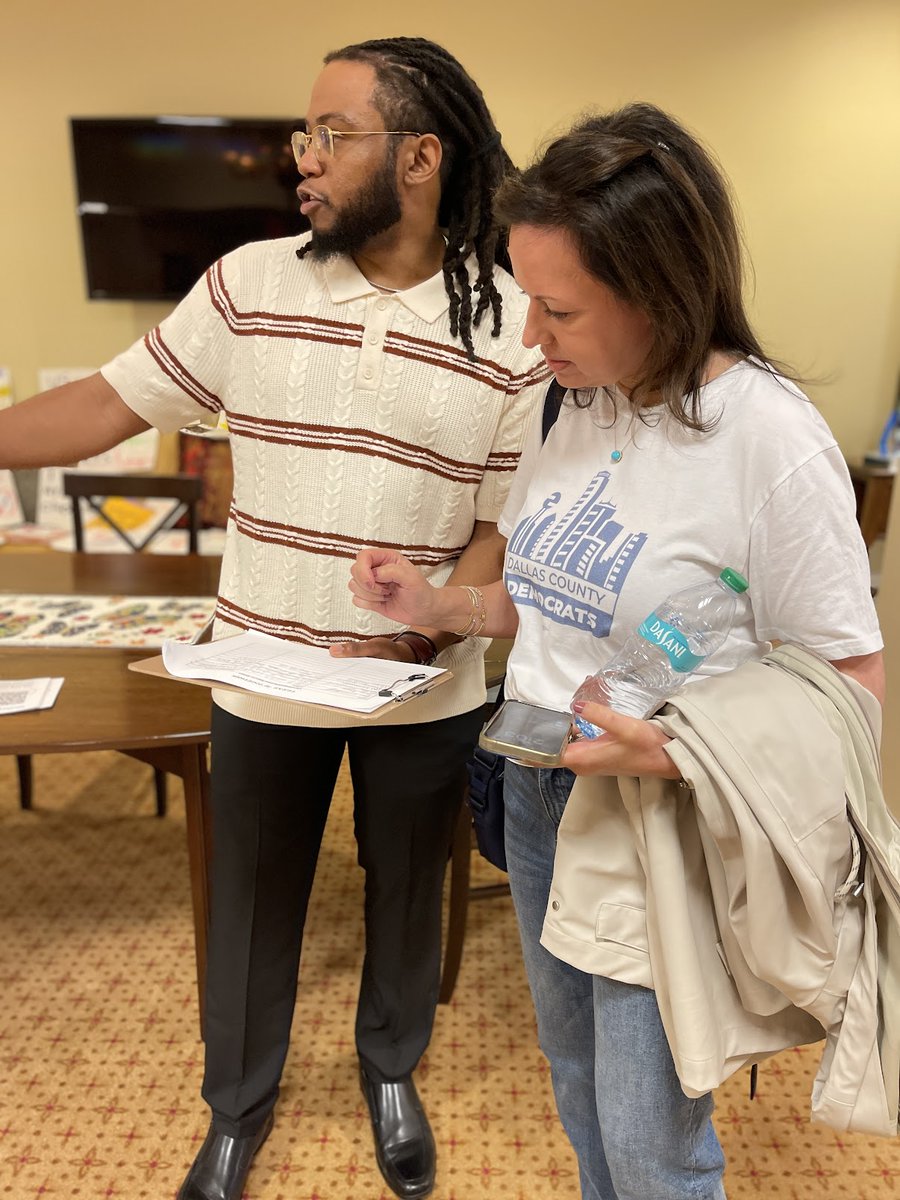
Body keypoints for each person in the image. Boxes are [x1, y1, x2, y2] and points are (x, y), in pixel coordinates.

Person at [0, 38, 549, 1200]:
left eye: (330, 135)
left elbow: (503, 520)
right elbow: (107, 402)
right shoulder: (248, 283)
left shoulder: (511, 325)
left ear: (419, 155)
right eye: (304, 136)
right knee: (251, 905)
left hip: (421, 683)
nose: (300, 158)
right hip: (259, 671)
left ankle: (390, 1073)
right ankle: (237, 1109)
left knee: (406, 892)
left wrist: (436, 627)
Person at [346, 103, 885, 1199]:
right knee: (579, 1080)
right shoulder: (567, 407)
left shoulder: (767, 439)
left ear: (664, 295)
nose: (531, 340)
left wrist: (673, 752)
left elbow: (849, 686)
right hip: (536, 783)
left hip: (665, 822)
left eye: (557, 309)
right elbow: (549, 605)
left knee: (651, 1142)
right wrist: (449, 604)